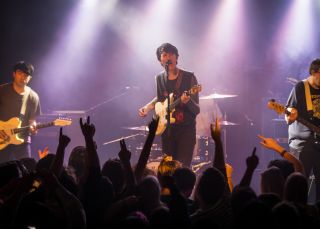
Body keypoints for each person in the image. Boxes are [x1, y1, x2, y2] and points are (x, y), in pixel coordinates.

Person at [138, 43, 200, 168]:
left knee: (182, 170)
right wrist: (148, 107)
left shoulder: (189, 77)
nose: (168, 57)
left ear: (177, 57)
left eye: (171, 54)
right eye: (164, 55)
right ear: (160, 60)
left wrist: (187, 101)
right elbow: (160, 100)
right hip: (167, 132)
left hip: (186, 131)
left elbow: (197, 109)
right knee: (168, 171)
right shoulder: (159, 78)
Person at [285, 58, 320, 202]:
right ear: (314, 72)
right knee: (299, 185)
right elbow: (287, 113)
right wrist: (291, 115)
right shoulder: (300, 88)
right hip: (302, 145)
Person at [0, 61, 41, 163]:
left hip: (23, 140)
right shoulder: (2, 90)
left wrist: (34, 128)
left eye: (26, 75)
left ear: (30, 78)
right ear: (14, 74)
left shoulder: (33, 96)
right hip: (2, 137)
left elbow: (32, 121)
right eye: (20, 73)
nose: (23, 76)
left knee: (27, 171)